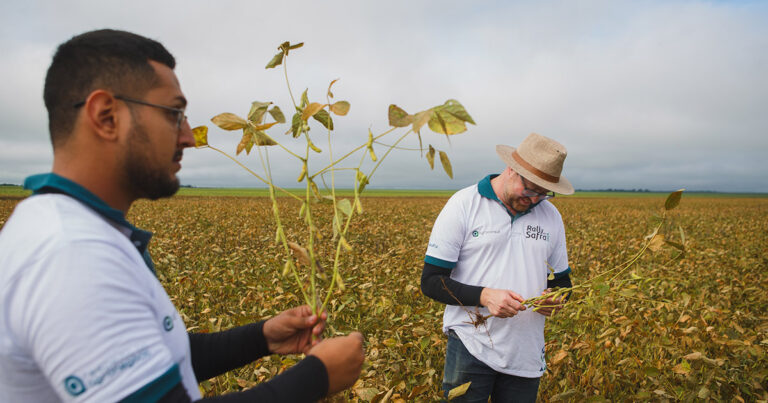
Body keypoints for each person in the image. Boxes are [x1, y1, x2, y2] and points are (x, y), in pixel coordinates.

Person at [0, 29, 364, 402]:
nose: (189, 137)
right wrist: (316, 377)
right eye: (174, 114)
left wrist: (262, 336)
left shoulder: (75, 230)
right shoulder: (71, 254)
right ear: (106, 116)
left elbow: (154, 357)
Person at [420, 133, 575, 402]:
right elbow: (432, 281)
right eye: (530, 189)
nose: (536, 199)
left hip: (525, 353)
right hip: (470, 345)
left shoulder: (551, 216)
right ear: (512, 169)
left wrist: (557, 298)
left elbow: (563, 282)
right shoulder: (463, 205)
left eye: (544, 193)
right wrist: (485, 296)